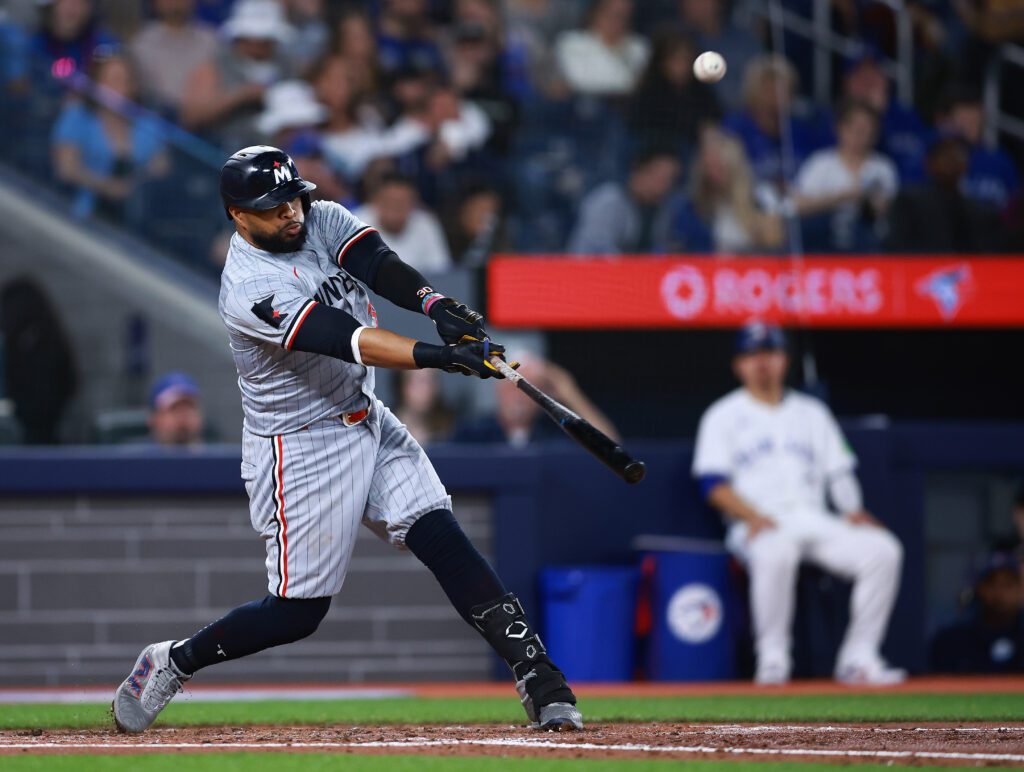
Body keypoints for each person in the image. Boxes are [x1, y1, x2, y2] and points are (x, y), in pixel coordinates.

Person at [111, 145, 583, 734]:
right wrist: (441, 356)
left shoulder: (318, 217)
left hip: (362, 412)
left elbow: (379, 265)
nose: (290, 213)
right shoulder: (249, 288)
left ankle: (540, 677)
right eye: (272, 206)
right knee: (297, 613)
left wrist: (439, 308)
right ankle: (175, 661)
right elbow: (349, 338)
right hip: (300, 446)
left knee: (441, 535)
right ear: (237, 215)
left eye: (292, 198)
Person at [692, 321, 904, 685]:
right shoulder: (722, 415)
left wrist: (852, 510)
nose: (762, 362)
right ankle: (773, 660)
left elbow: (839, 470)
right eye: (752, 354)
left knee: (884, 549)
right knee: (776, 550)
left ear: (784, 359)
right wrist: (751, 516)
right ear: (738, 365)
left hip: (814, 518)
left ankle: (859, 657)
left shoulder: (812, 413)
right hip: (757, 522)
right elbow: (713, 484)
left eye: (770, 353)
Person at [51, 54, 169, 221]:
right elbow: (67, 169)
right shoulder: (77, 115)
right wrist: (109, 187)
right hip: (79, 212)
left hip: (134, 219)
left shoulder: (148, 125)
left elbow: (161, 170)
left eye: (124, 81)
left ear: (134, 87)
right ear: (96, 83)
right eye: (111, 80)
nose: (117, 88)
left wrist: (134, 186)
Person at [178, 0, 293, 150]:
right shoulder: (215, 66)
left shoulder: (287, 65)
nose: (257, 43)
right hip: (225, 151)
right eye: (251, 37)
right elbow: (190, 117)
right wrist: (242, 95)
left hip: (279, 150)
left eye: (264, 38)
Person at [793, 99, 898, 252]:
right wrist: (843, 197)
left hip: (871, 244)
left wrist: (873, 204)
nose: (861, 136)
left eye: (867, 130)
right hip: (823, 244)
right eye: (855, 129)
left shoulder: (883, 167)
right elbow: (797, 204)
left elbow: (890, 210)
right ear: (840, 128)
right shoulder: (820, 163)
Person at [453, 354, 619, 446]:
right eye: (512, 387)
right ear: (498, 390)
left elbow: (609, 446)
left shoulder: (553, 433)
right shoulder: (471, 434)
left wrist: (571, 394)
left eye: (530, 390)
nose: (519, 397)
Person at [673, 127, 783, 254]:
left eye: (720, 168)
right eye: (708, 167)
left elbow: (775, 247)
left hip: (750, 269)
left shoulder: (761, 198)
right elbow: (682, 249)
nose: (712, 174)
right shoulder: (691, 207)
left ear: (733, 167)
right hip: (709, 269)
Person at [884, 135, 1002, 253]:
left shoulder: (980, 214)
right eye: (945, 154)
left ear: (965, 166)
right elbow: (896, 252)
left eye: (958, 155)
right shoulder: (909, 203)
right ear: (929, 163)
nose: (952, 160)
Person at [567, 147, 680, 254]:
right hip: (591, 272)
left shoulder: (663, 209)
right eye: (660, 177)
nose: (665, 185)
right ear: (638, 171)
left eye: (670, 179)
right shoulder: (608, 200)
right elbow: (595, 251)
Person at [930, 553, 1024, 673]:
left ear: (1020, 589)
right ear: (980, 588)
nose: (1000, 593)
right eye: (992, 584)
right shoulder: (952, 638)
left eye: (1008, 585)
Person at [629, 30, 720, 153]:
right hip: (659, 154)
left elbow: (716, 118)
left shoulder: (700, 89)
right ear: (662, 62)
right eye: (677, 59)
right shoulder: (649, 94)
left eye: (687, 59)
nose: (683, 66)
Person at [127, 0, 219, 116]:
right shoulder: (140, 45)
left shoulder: (212, 42)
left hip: (207, 122)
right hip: (159, 122)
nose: (175, 2)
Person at [937, 85, 1021, 213]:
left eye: (976, 117)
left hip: (995, 229)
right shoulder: (937, 158)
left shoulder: (999, 160)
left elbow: (1016, 207)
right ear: (948, 120)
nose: (972, 124)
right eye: (965, 118)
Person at [353, 172, 453, 276]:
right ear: (375, 201)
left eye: (401, 203)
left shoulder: (426, 223)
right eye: (389, 201)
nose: (395, 207)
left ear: (413, 204)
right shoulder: (356, 225)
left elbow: (441, 272)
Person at [677, 0, 761, 111]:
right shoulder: (677, 44)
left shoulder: (745, 41)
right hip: (702, 119)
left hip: (748, 117)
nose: (692, 5)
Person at [554, 0, 649, 97]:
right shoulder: (571, 42)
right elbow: (579, 82)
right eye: (611, 13)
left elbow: (637, 86)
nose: (616, 21)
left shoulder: (639, 46)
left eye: (622, 16)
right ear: (595, 13)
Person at [392, 367, 454, 446]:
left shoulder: (447, 432)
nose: (426, 388)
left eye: (431, 381)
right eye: (419, 381)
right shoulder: (386, 430)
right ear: (402, 385)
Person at [148, 372, 205, 447]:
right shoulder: (136, 457)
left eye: (189, 408)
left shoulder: (219, 455)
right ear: (154, 419)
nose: (183, 416)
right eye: (174, 409)